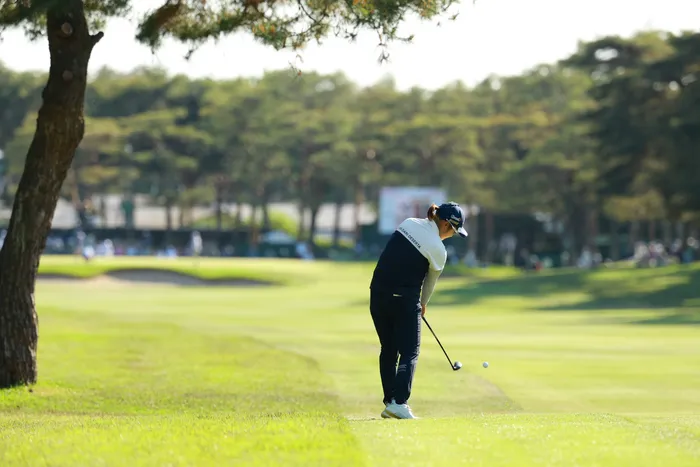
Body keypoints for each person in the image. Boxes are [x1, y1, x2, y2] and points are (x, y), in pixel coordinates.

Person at [369, 201, 468, 419]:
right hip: (404, 300)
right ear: (445, 224)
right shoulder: (438, 249)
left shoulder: (408, 223)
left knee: (389, 348)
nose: (452, 235)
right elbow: (429, 284)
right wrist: (422, 304)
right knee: (410, 351)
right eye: (453, 231)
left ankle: (390, 402)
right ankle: (399, 403)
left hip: (377, 295)